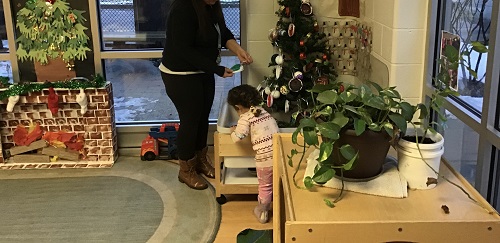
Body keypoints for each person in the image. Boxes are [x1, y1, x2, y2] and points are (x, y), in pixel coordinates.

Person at [160, 0, 253, 190]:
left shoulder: (211, 7)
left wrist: (238, 50)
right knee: (191, 120)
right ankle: (186, 169)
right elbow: (183, 49)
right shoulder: (183, 9)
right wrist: (216, 69)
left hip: (202, 72)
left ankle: (200, 160)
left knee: (203, 118)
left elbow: (223, 33)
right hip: (180, 74)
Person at [227, 84, 279, 224]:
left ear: (238, 107)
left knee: (265, 186)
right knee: (278, 183)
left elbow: (238, 138)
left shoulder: (245, 118)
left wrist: (232, 131)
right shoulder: (263, 112)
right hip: (279, 155)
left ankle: (262, 212)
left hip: (264, 159)